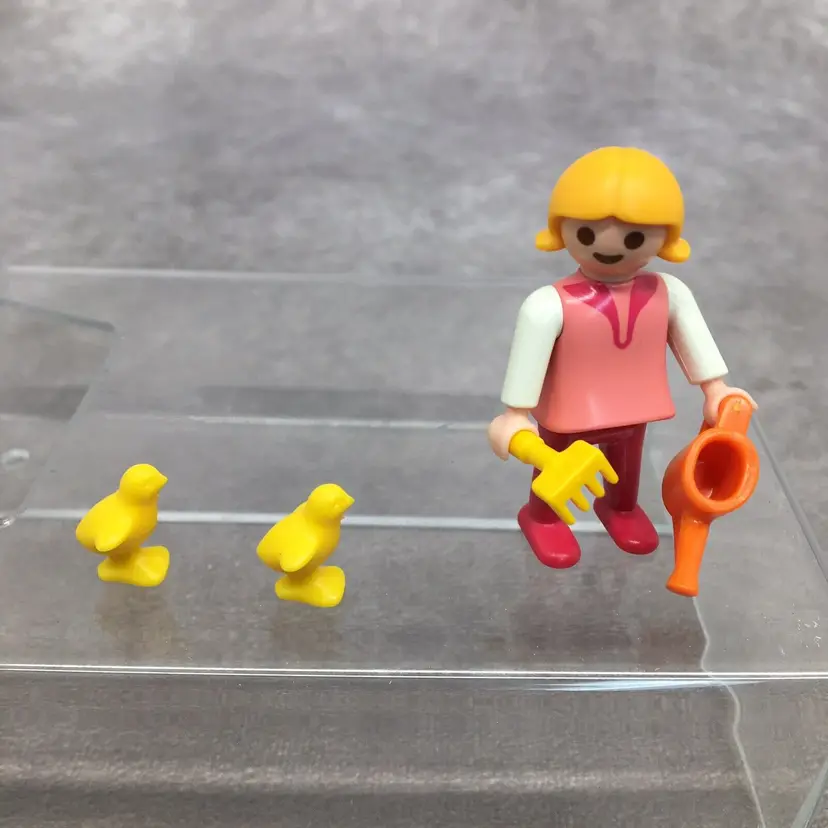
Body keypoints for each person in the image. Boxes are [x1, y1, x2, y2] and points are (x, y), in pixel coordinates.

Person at [488, 146, 756, 569]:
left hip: (635, 405)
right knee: (556, 467)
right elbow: (528, 362)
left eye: (634, 238)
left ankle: (621, 507)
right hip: (568, 410)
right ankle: (542, 516)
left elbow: (695, 342)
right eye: (587, 233)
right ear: (561, 229)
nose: (608, 248)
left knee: (626, 467)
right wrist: (515, 414)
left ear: (665, 239)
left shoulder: (669, 293)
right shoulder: (548, 304)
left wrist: (715, 389)